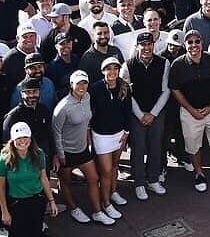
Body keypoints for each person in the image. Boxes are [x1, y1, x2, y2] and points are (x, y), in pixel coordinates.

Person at [168, 29, 210, 191]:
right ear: (184, 45)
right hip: (189, 113)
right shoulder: (177, 65)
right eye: (189, 42)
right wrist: (191, 110)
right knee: (193, 146)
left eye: (197, 41)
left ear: (202, 43)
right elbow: (175, 90)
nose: (194, 45)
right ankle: (199, 174)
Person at [52, 71, 115, 225]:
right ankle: (73, 208)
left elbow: (86, 122)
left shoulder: (87, 98)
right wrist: (61, 155)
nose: (82, 86)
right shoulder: (63, 107)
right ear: (71, 85)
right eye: (78, 83)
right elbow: (56, 132)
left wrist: (88, 140)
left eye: (85, 83)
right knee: (65, 183)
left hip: (82, 149)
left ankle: (97, 212)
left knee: (93, 178)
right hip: (66, 152)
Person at [1, 122, 57, 237]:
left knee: (36, 234)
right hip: (17, 203)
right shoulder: (4, 158)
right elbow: (0, 188)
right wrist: (4, 211)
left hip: (36, 200)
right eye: (18, 138)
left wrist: (51, 200)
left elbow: (43, 179)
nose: (22, 141)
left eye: (25, 137)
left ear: (30, 138)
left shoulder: (39, 154)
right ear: (12, 140)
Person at [120, 32, 170, 201]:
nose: (147, 47)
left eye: (149, 44)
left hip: (157, 112)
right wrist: (141, 115)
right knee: (138, 148)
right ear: (138, 46)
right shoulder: (128, 65)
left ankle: (153, 179)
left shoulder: (164, 63)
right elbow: (127, 93)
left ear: (153, 45)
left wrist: (153, 113)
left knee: (156, 146)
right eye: (143, 44)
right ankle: (139, 183)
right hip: (137, 114)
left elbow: (166, 90)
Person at [89, 57, 131, 219]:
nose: (112, 72)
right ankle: (106, 204)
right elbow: (90, 113)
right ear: (102, 71)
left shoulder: (124, 87)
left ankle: (113, 192)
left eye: (115, 68)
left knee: (114, 166)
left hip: (119, 134)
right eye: (108, 68)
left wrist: (126, 132)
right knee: (106, 171)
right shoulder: (95, 89)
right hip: (101, 136)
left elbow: (127, 111)